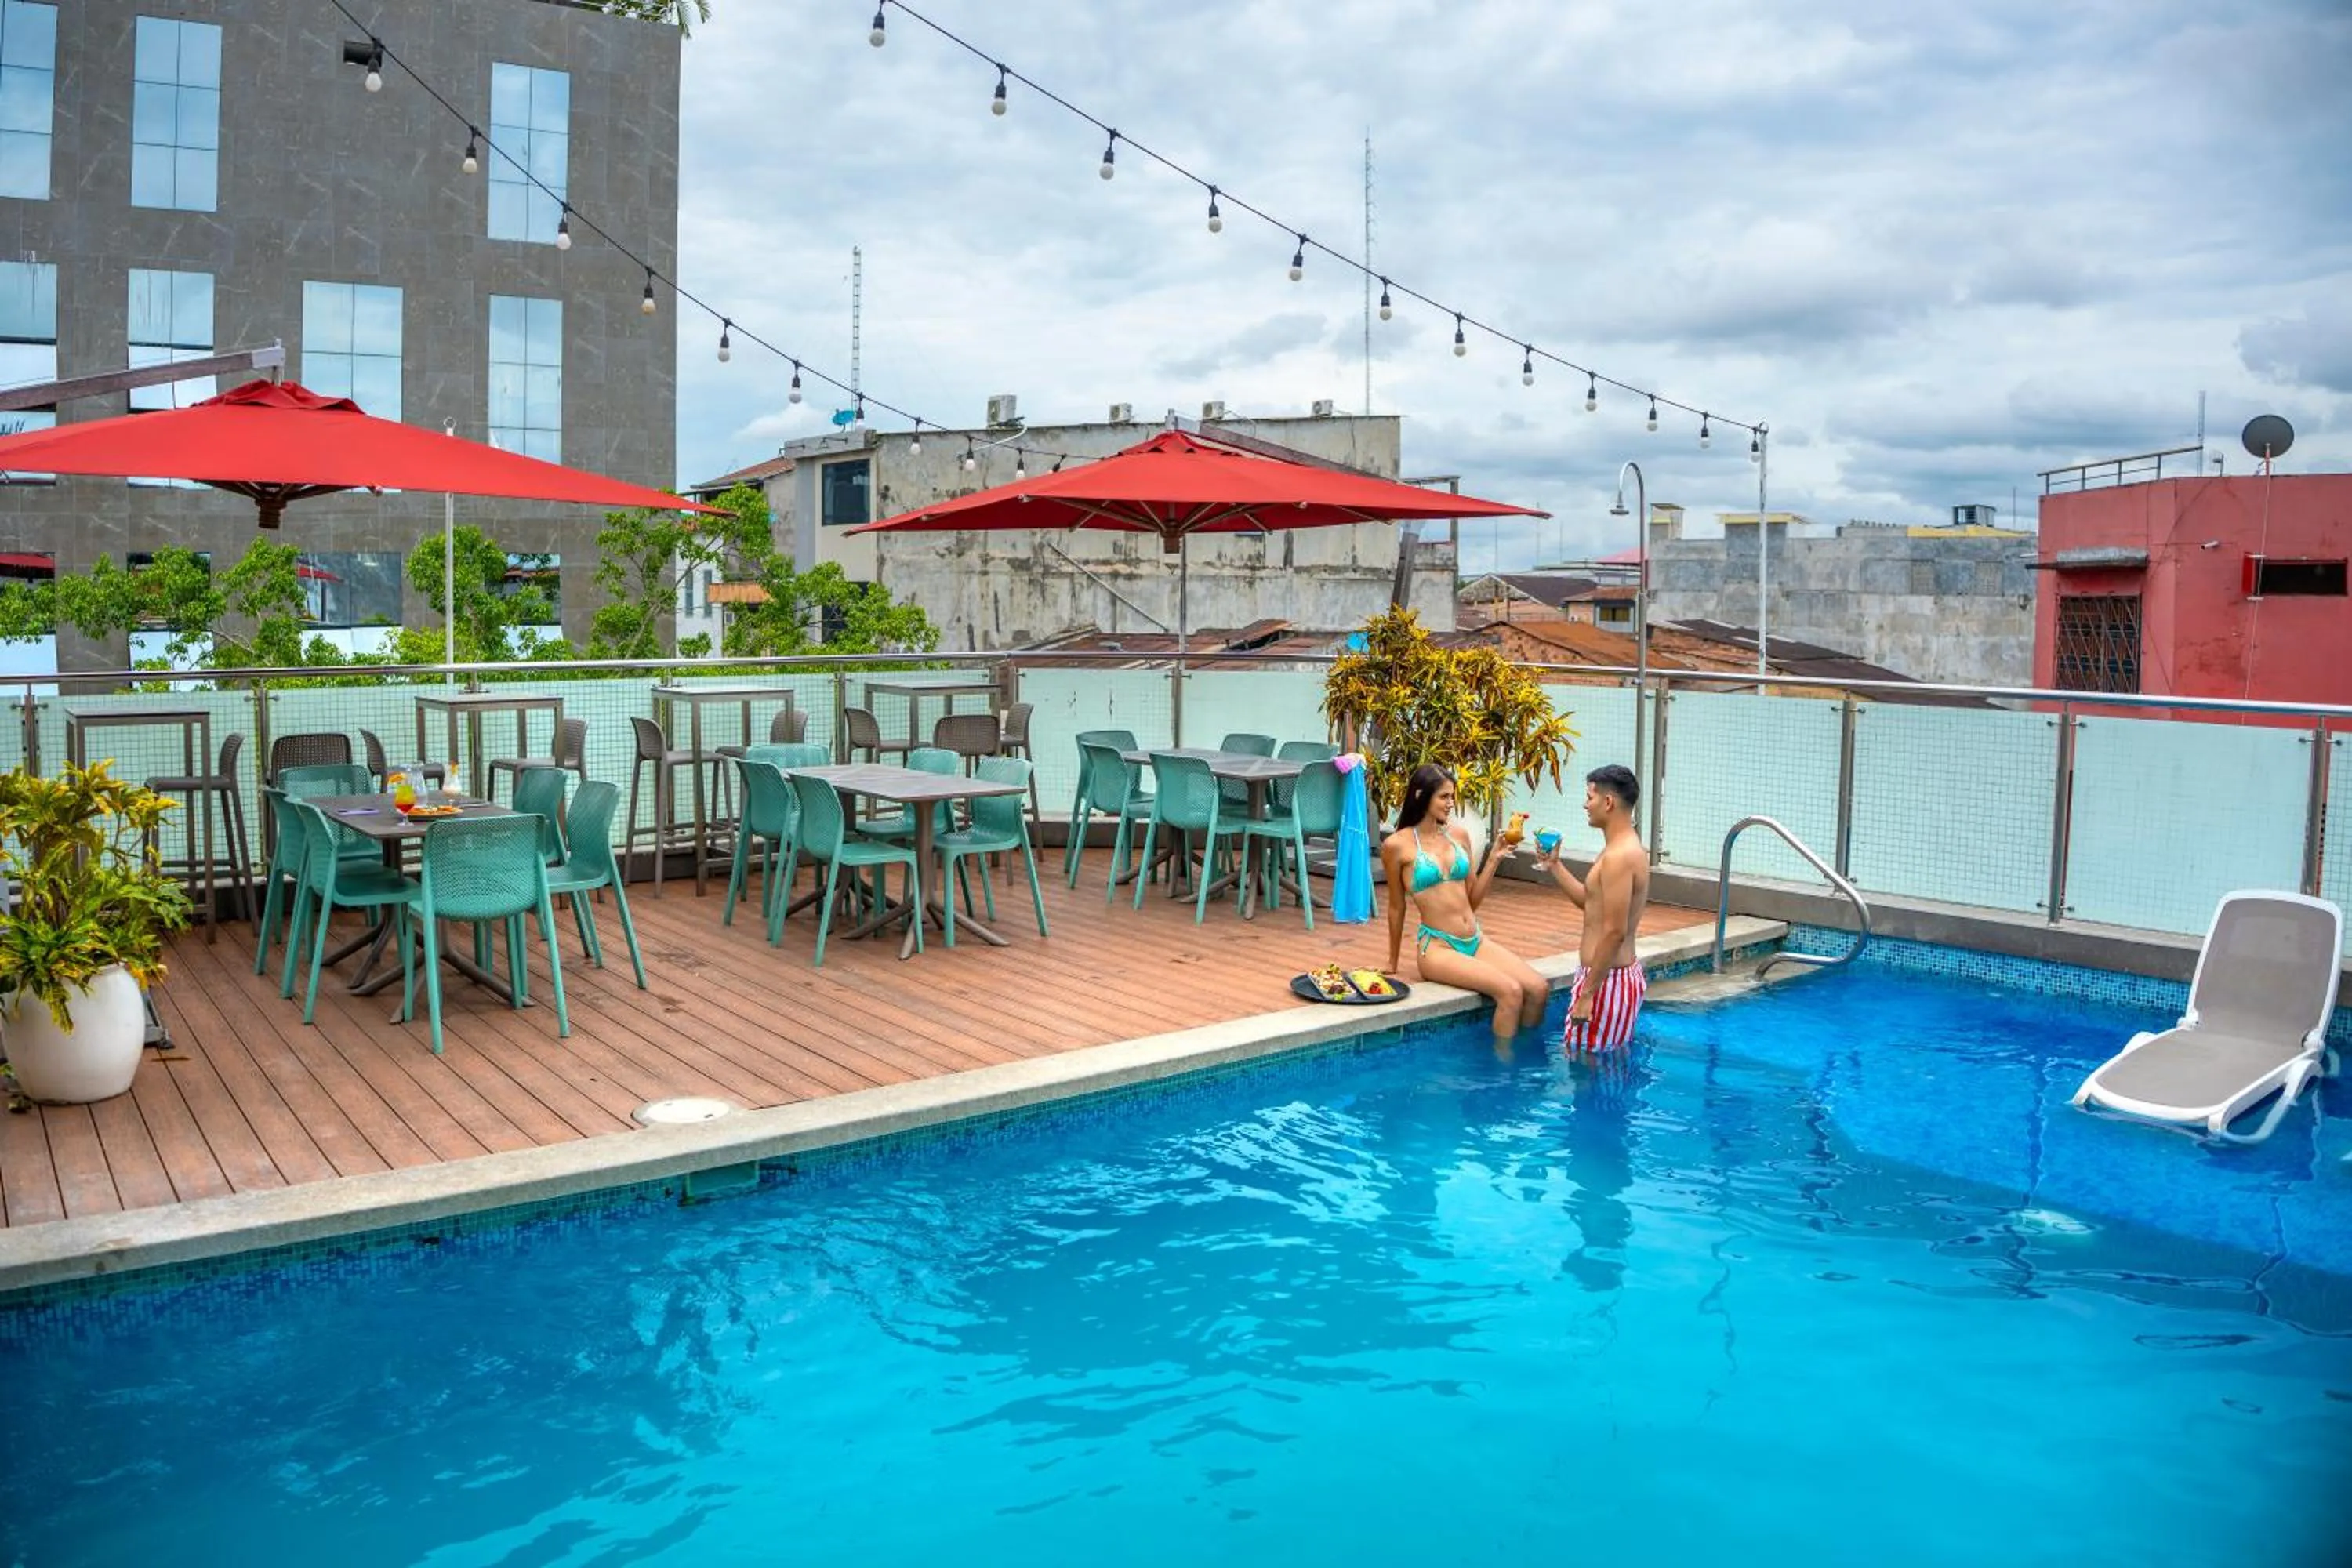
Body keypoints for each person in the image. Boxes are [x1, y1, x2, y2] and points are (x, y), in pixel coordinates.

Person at [1380, 763, 1548, 1044]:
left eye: (1452, 796)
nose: (1451, 803)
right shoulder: (1397, 846)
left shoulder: (1459, 836)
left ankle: (1526, 1061)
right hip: (1438, 948)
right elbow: (1397, 907)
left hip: (1475, 940)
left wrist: (1493, 859)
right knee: (1510, 992)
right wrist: (1392, 961)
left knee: (1539, 989)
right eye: (1444, 797)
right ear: (1421, 795)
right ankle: (1503, 1075)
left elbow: (1473, 899)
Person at [1534, 764, 1651, 1052]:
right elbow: (1591, 904)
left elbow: (1614, 932)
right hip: (1605, 979)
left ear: (1608, 802)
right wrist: (1555, 866)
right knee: (1594, 1070)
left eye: (1590, 797)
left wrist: (1588, 994)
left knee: (1594, 1074)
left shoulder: (1619, 857)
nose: (1586, 805)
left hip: (1606, 983)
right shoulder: (1619, 849)